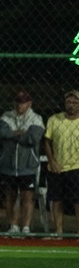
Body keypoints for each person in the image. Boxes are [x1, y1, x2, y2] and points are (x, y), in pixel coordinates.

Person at [0, 89, 44, 235]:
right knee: (10, 196)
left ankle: (26, 227)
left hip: (27, 165)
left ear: (29, 103)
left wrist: (12, 134)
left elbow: (32, 139)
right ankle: (13, 226)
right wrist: (21, 133)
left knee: (27, 196)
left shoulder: (36, 118)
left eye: (23, 103)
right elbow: (1, 133)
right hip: (8, 165)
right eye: (17, 102)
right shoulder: (6, 116)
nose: (20, 105)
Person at [43, 89, 79, 236]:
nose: (71, 105)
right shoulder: (54, 119)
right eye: (69, 102)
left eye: (75, 102)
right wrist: (52, 161)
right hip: (57, 166)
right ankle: (58, 232)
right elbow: (47, 141)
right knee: (56, 199)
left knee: (77, 200)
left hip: (77, 166)